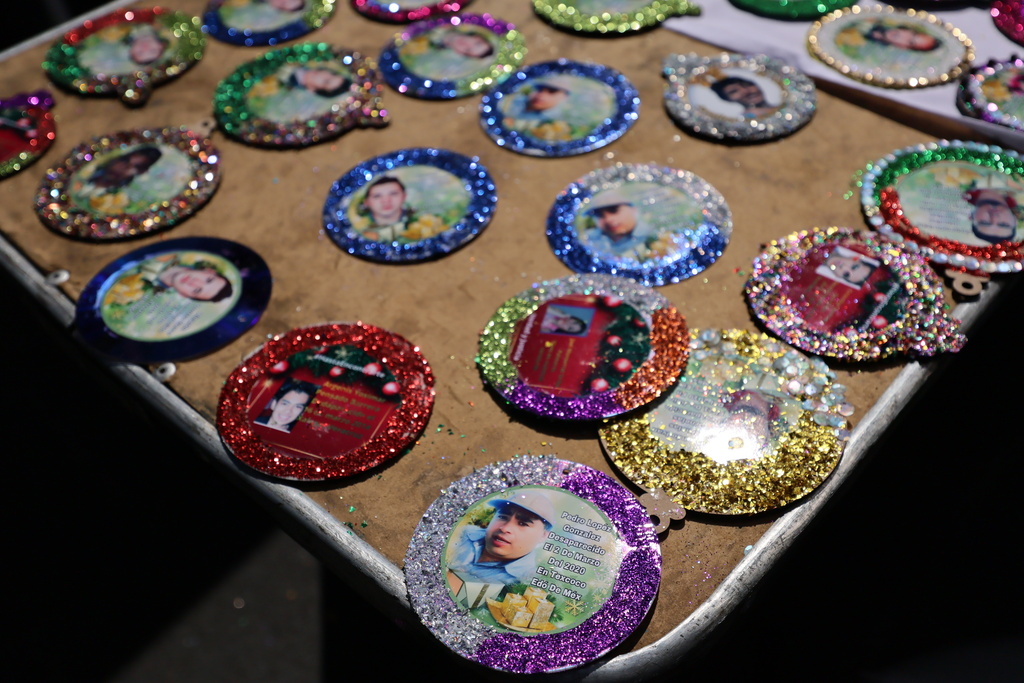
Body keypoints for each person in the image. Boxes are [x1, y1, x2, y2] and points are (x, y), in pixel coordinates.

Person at [446, 490, 556, 587]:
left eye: (522, 523)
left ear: (543, 536)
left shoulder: (522, 584)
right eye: (502, 517)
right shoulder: (461, 533)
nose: (505, 528)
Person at [583, 188, 651, 259]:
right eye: (599, 214)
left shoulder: (652, 235)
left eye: (614, 210)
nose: (608, 219)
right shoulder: (588, 239)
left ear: (634, 209)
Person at [139, 256, 234, 303]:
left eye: (197, 290)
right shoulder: (177, 251)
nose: (195, 283)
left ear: (184, 295)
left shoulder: (140, 291)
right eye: (208, 280)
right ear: (208, 271)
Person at [358, 176, 412, 242]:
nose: (386, 201)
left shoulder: (420, 221)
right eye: (377, 196)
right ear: (366, 202)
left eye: (393, 194)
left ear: (404, 196)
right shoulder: (360, 229)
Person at [86, 146, 163, 192]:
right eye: (125, 161)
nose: (125, 168)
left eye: (136, 166)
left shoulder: (117, 192)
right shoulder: (92, 170)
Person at [708, 76, 777, 118]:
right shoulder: (746, 121)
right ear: (727, 99)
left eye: (747, 85)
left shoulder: (783, 108)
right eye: (734, 91)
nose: (746, 91)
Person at [863, 23, 939, 52]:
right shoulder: (876, 19)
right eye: (913, 34)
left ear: (904, 47)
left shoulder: (867, 45)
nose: (905, 36)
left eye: (911, 42)